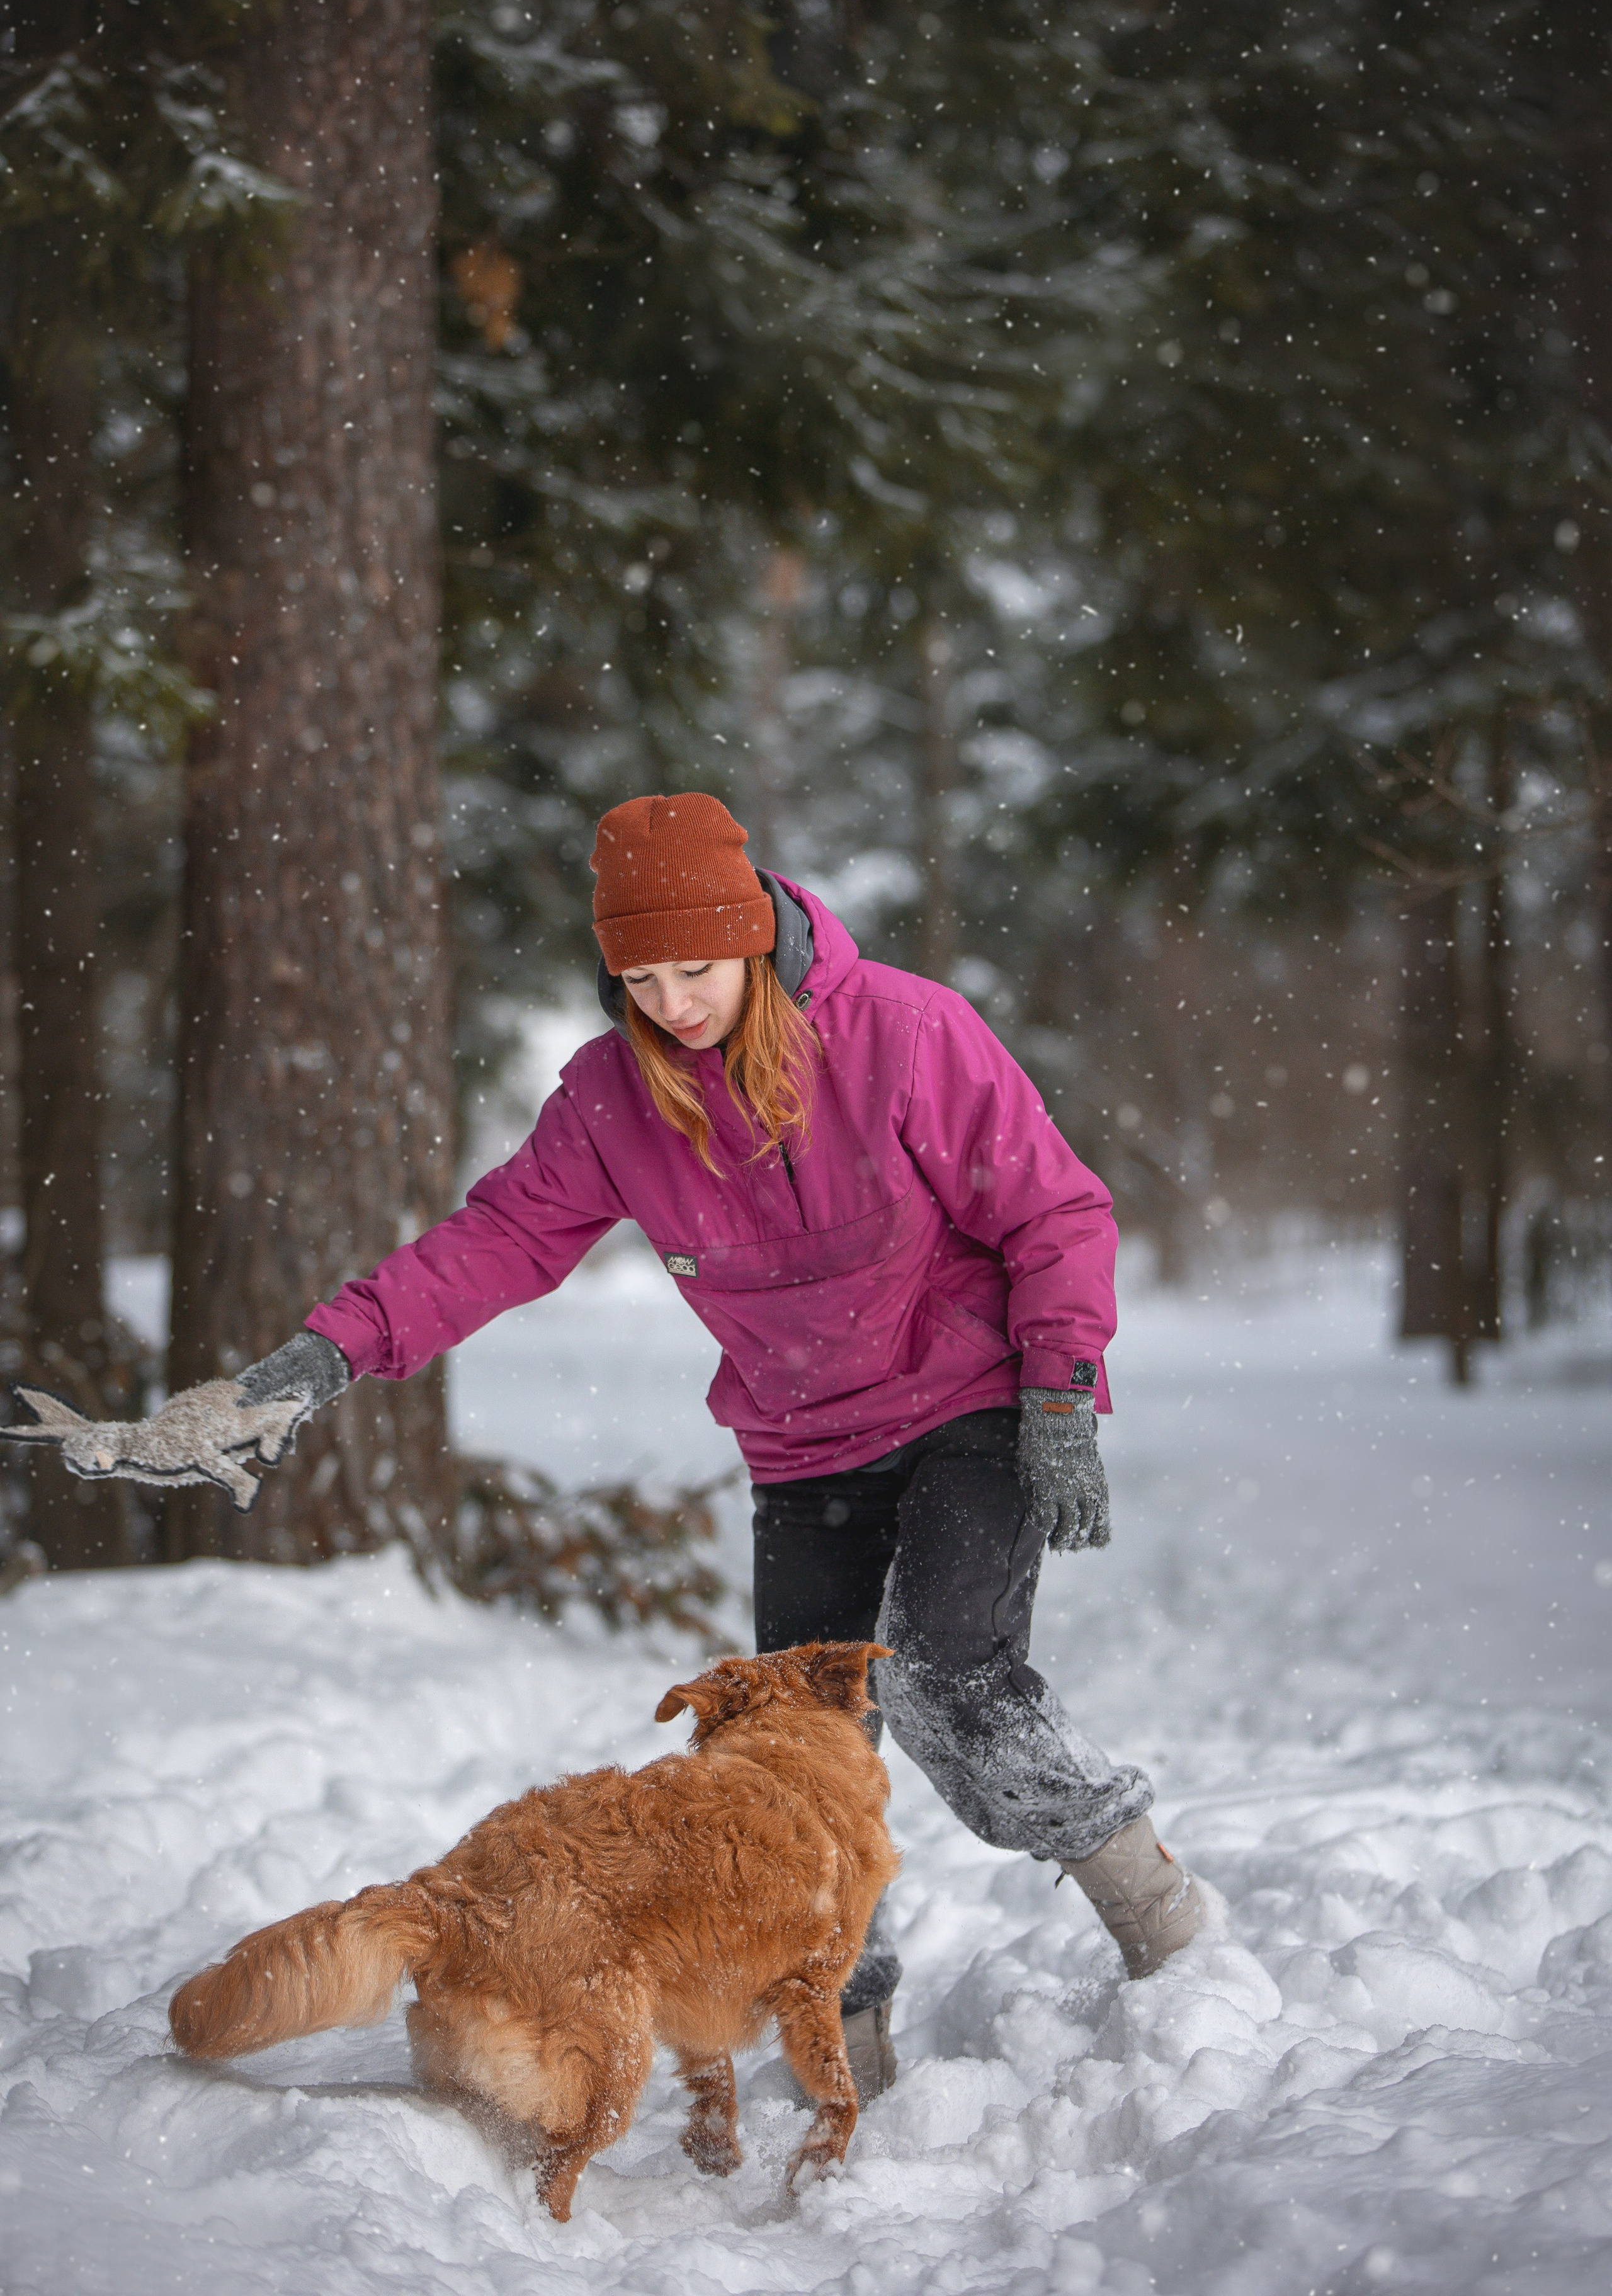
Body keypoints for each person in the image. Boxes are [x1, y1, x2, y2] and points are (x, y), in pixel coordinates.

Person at [13, 792, 1203, 2097]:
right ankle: (845, 2048)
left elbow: (1051, 1211)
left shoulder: (906, 1035)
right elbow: (497, 1242)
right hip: (804, 1442)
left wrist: (1057, 1396)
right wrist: (320, 1359)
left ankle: (1155, 1917)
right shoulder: (613, 1097)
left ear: (752, 943)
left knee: (943, 1677)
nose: (673, 1002)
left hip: (970, 1405)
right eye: (639, 978)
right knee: (774, 1770)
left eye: (694, 970)